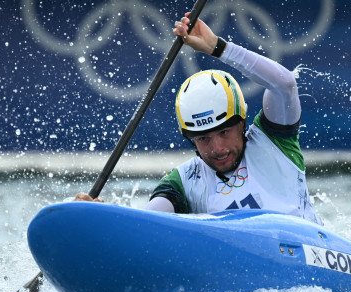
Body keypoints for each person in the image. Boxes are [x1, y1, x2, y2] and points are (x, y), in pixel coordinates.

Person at [76, 12, 322, 226]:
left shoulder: (273, 142)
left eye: (224, 132)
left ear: (242, 122)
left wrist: (218, 47)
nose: (217, 149)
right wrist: (96, 219)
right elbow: (148, 225)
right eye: (203, 138)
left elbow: (285, 83)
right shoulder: (184, 181)